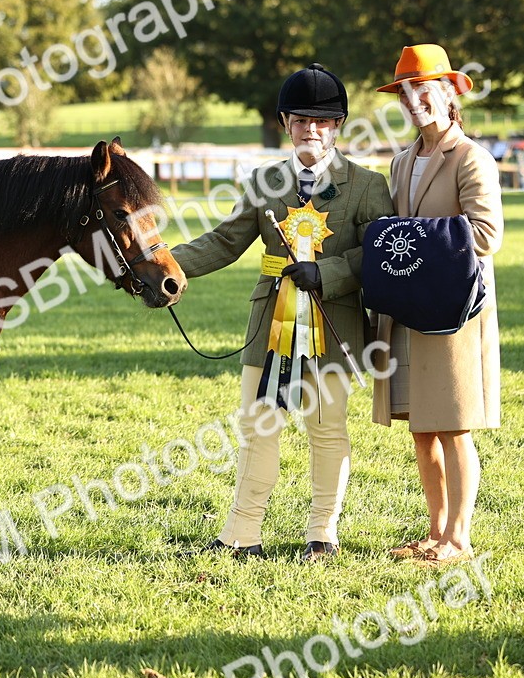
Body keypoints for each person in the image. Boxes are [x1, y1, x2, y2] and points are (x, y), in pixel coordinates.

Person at [172, 63, 394, 563]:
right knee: (258, 425)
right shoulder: (264, 180)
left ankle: (323, 533)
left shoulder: (366, 184)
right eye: (299, 120)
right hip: (271, 321)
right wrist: (168, 265)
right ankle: (241, 534)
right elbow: (226, 242)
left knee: (327, 427)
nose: (310, 130)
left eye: (321, 121)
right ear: (285, 123)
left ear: (338, 125)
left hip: (333, 323)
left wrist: (331, 273)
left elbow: (380, 251)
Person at [371, 43, 504, 567]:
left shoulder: (472, 157)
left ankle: (459, 538)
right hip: (409, 309)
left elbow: (487, 234)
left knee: (454, 425)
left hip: (455, 312)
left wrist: (413, 240)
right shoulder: (401, 160)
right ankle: (434, 533)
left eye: (423, 90)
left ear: (449, 94)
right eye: (405, 93)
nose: (413, 101)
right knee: (422, 427)